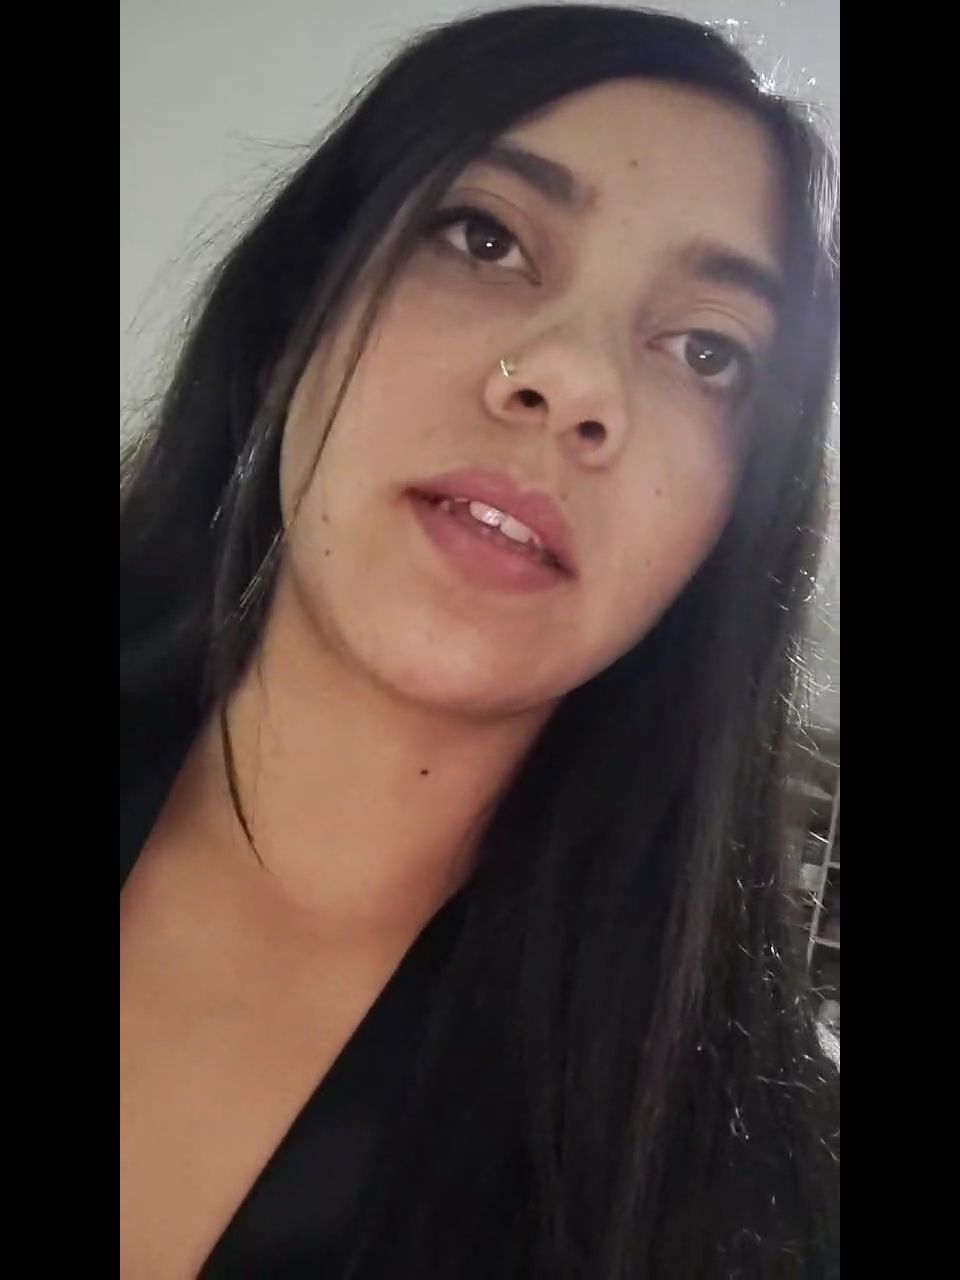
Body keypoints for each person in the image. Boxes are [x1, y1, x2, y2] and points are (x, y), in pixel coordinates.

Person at [120, 5, 840, 1276]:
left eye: (707, 349)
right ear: (298, 312)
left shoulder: (760, 1200)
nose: (573, 379)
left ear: (731, 527)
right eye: (486, 238)